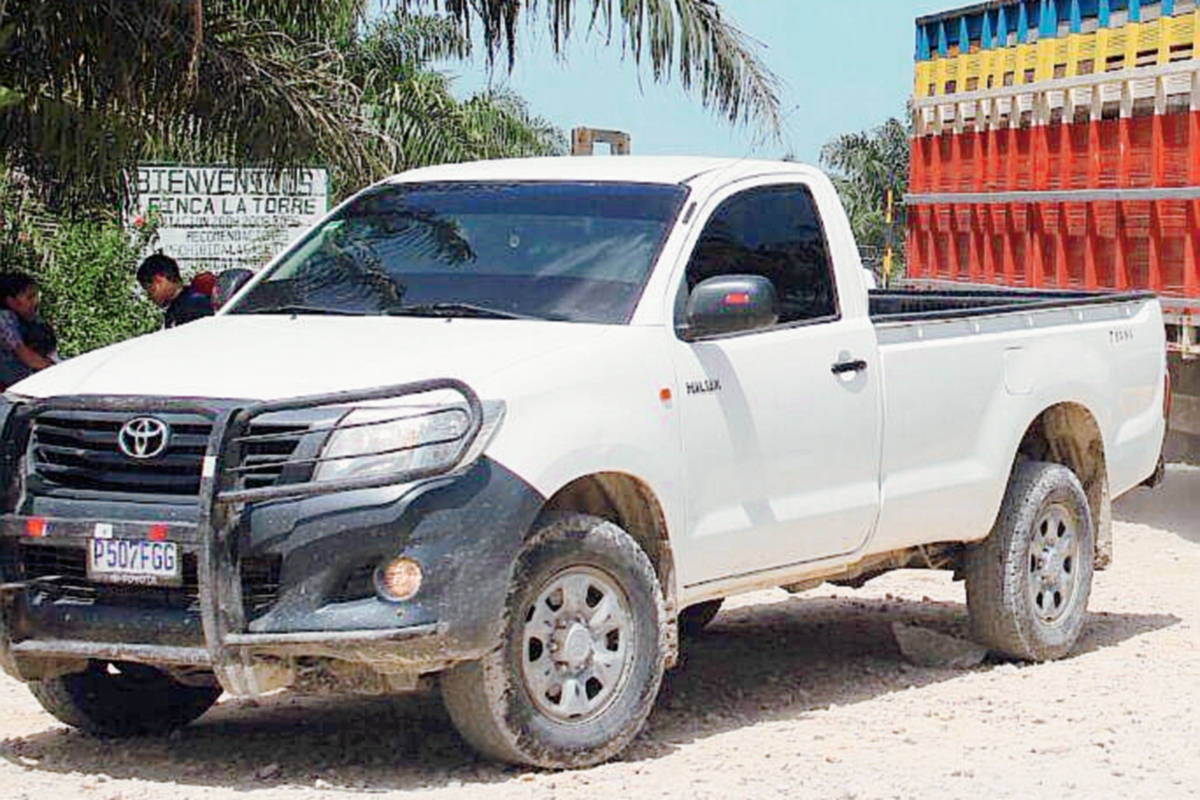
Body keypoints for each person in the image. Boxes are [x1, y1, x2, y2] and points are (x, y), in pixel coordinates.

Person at [0, 272, 57, 389]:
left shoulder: (31, 322)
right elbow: (23, 353)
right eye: (29, 297)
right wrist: (57, 370)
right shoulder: (4, 319)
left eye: (35, 296)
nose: (35, 302)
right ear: (11, 301)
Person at [137, 253, 214, 328]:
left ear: (159, 281)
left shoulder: (195, 305)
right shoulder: (176, 309)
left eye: (150, 289)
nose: (150, 296)